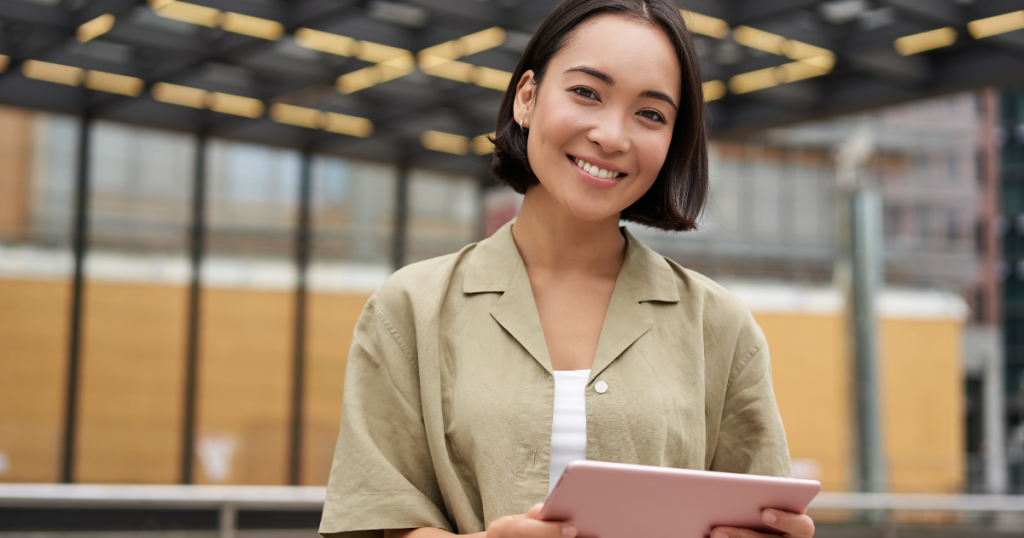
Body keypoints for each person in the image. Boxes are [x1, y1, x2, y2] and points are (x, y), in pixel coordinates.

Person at [319, 1, 815, 538]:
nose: (611, 135)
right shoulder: (409, 310)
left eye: (651, 114)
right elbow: (375, 522)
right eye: (586, 92)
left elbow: (762, 513)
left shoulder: (719, 326)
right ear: (527, 98)